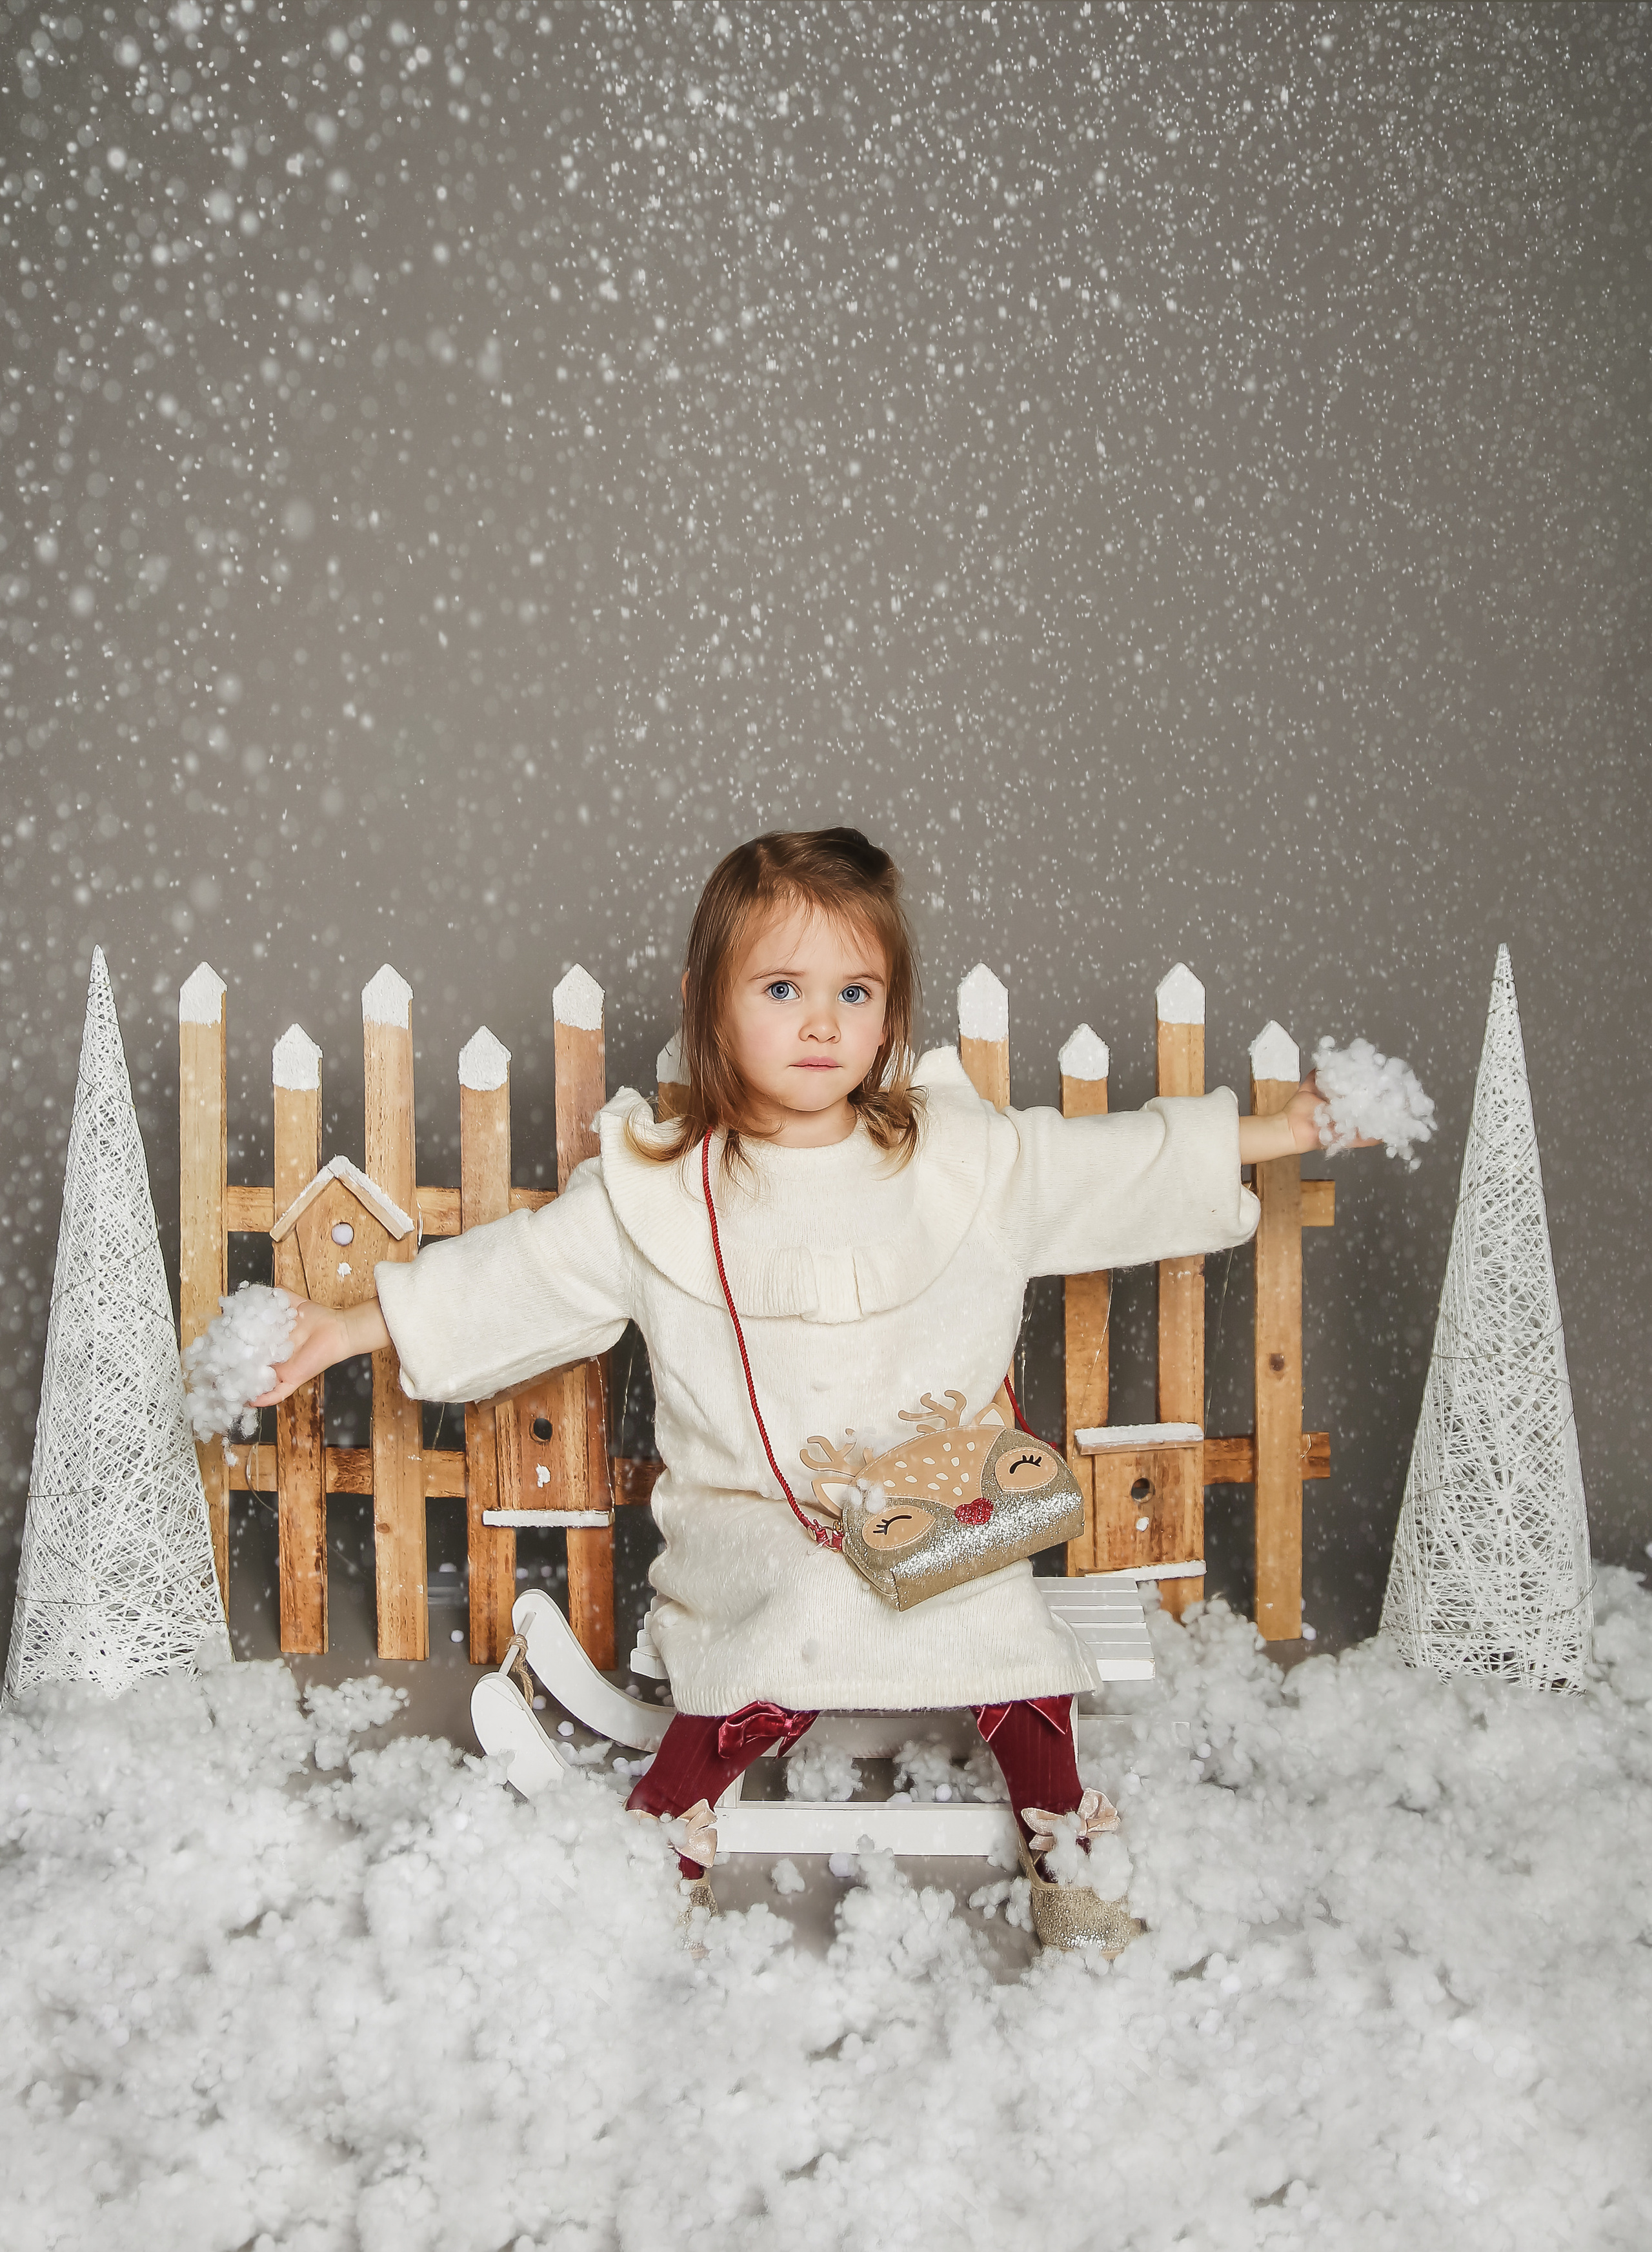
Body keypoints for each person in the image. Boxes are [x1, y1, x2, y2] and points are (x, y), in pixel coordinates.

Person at [256, 827, 1369, 1950]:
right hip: (760, 1518)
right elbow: (521, 1276)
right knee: (795, 1605)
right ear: (709, 1000)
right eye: (783, 988)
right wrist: (348, 1327)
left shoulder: (963, 1163)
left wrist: (1283, 1126)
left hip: (945, 1505)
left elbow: (1115, 1163)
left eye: (855, 991)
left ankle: (1063, 1843)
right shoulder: (666, 1192)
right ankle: (669, 1821)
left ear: (891, 1015)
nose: (823, 1022)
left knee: (1005, 1628)